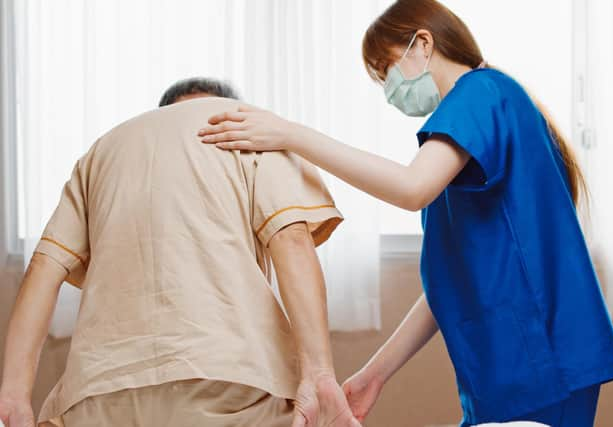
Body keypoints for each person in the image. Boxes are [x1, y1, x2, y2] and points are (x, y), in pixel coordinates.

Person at [197, 1, 613, 426]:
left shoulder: (480, 93)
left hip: (541, 358)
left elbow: (410, 188)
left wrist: (291, 135)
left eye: (384, 71)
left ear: (423, 43)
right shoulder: (466, 130)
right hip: (509, 366)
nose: (388, 91)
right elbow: (447, 282)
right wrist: (374, 375)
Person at [0, 78, 362, 427]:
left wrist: (14, 396)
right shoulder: (255, 133)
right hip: (234, 380)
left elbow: (45, 266)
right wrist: (319, 374)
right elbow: (292, 241)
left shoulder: (102, 151)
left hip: (98, 391)